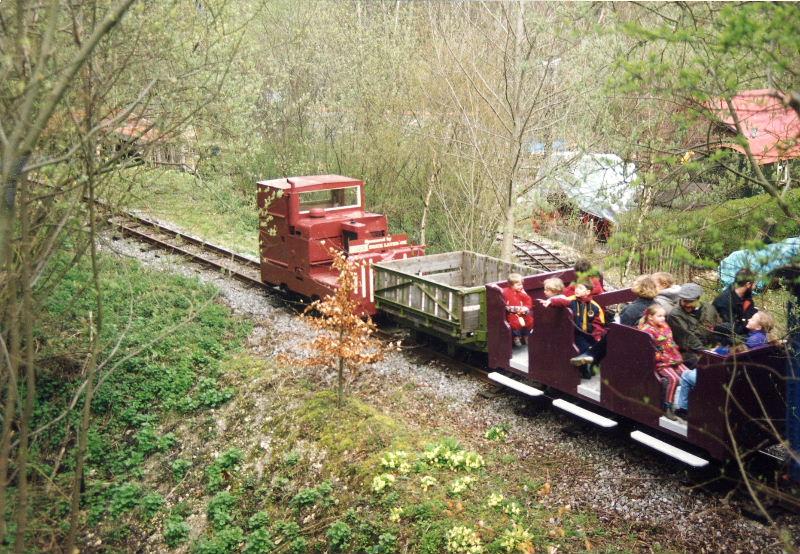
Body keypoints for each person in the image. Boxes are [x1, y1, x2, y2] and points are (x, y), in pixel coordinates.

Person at [668, 283, 718, 418]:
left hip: (711, 348)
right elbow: (688, 338)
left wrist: (719, 347)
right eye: (683, 301)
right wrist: (708, 353)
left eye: (689, 301)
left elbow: (717, 328)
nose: (685, 304)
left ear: (698, 299)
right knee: (706, 370)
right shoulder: (675, 315)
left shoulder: (709, 309)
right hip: (689, 352)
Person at [541, 283, 607, 379]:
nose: (577, 290)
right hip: (577, 333)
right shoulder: (572, 301)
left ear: (587, 292)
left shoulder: (594, 306)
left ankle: (593, 366)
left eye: (580, 288)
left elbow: (598, 323)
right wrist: (551, 302)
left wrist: (597, 335)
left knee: (599, 347)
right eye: (576, 288)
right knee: (583, 349)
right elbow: (562, 301)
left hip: (591, 334)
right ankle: (584, 371)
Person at [638, 305, 688, 421]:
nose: (663, 319)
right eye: (659, 316)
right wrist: (665, 358)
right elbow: (650, 352)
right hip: (660, 362)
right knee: (673, 379)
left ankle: (685, 407)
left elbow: (671, 342)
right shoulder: (647, 332)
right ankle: (667, 407)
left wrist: (674, 355)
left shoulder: (665, 326)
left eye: (664, 316)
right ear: (650, 317)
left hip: (673, 358)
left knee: (688, 375)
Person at [712, 268, 758, 338]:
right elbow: (731, 328)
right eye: (755, 283)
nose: (755, 286)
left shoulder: (746, 295)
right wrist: (749, 323)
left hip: (742, 327)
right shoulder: (725, 301)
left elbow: (750, 312)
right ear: (748, 284)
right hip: (725, 336)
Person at [502, 273, 533, 347]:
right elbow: (501, 297)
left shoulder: (522, 292)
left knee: (528, 320)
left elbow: (528, 300)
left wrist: (526, 307)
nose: (521, 286)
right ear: (511, 285)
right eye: (518, 285)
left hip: (521, 310)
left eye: (521, 284)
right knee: (514, 322)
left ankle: (526, 336)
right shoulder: (506, 291)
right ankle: (516, 337)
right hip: (512, 311)